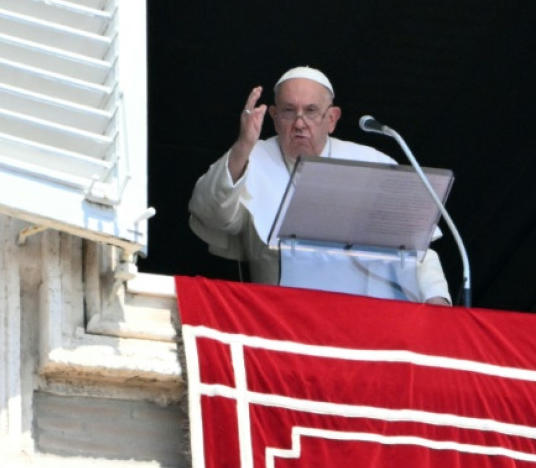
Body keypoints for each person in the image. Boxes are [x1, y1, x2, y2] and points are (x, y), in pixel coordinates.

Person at [188, 66, 451, 305]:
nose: (299, 123)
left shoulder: (371, 161)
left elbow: (414, 249)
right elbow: (211, 213)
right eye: (289, 111)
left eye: (311, 111)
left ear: (332, 118)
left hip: (369, 318)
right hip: (281, 315)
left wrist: (436, 298)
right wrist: (243, 145)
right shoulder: (253, 158)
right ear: (274, 116)